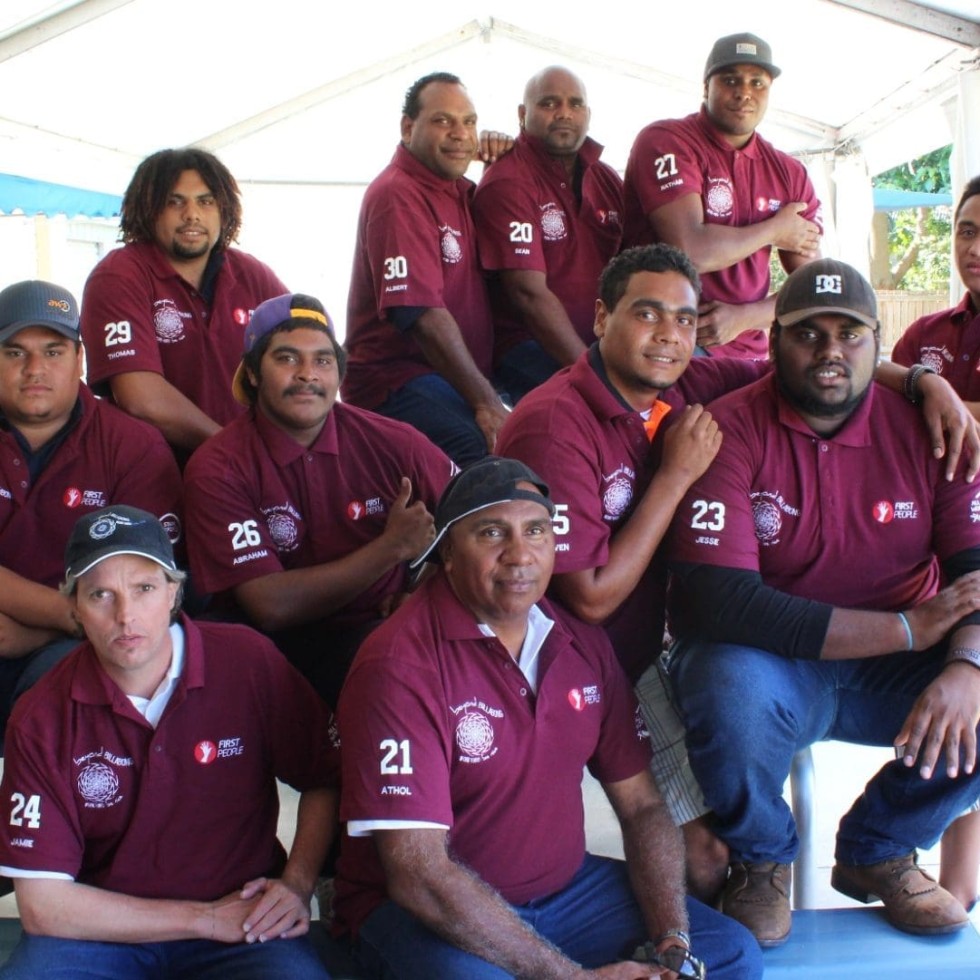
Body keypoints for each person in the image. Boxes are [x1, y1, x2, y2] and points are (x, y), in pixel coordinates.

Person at [333, 456, 762, 980]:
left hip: (567, 894)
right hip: (423, 914)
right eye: (492, 533)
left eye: (536, 531)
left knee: (728, 956)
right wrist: (567, 977)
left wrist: (670, 941)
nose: (520, 555)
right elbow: (419, 875)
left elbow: (644, 807)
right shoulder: (399, 664)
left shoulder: (581, 642)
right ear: (446, 550)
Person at [667, 258, 980, 947]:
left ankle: (880, 848)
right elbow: (724, 603)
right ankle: (762, 858)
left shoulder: (933, 429)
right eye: (809, 334)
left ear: (878, 340)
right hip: (774, 665)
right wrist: (903, 628)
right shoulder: (728, 428)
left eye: (850, 334)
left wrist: (966, 668)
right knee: (720, 677)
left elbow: (975, 570)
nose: (831, 351)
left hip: (899, 670)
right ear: (774, 340)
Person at [0, 505, 338, 979]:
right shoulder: (41, 715)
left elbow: (326, 774)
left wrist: (297, 883)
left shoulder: (246, 662)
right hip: (104, 930)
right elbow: (44, 906)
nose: (125, 615)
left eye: (144, 588)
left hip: (242, 919)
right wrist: (204, 920)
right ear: (73, 606)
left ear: (174, 592)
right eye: (100, 594)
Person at [183, 292, 453, 706]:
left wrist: (426, 592)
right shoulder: (218, 465)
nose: (308, 374)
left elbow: (476, 515)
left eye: (323, 361)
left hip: (373, 632)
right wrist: (391, 548)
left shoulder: (394, 441)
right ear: (253, 373)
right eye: (287, 358)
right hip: (264, 649)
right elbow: (270, 605)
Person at [0, 280, 182, 736]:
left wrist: (50, 627)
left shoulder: (132, 445)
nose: (34, 368)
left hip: (87, 639)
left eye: (54, 351)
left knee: (79, 678)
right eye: (15, 352)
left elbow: (148, 590)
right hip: (71, 622)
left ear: (80, 359)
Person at [343, 71, 509, 466]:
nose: (460, 133)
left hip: (446, 378)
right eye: (442, 121)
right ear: (407, 127)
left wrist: (506, 162)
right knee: (485, 455)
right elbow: (421, 315)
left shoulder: (458, 190)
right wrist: (486, 402)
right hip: (396, 383)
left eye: (469, 122)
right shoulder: (397, 193)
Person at [892, 174, 980, 913]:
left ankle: (960, 885)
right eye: (967, 231)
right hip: (945, 549)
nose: (975, 248)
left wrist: (944, 402)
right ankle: (940, 878)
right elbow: (882, 407)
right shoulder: (927, 336)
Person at [622, 32, 822, 359]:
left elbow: (812, 286)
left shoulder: (789, 172)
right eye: (731, 80)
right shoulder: (667, 140)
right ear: (706, 87)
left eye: (758, 83)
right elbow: (691, 250)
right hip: (664, 342)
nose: (744, 92)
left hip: (749, 349)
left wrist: (745, 318)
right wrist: (774, 230)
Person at [80, 147, 287, 458]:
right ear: (148, 210)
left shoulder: (251, 274)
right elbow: (141, 399)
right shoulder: (118, 275)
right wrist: (236, 453)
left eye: (205, 201)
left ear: (224, 210)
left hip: (250, 468)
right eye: (175, 202)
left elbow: (310, 352)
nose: (192, 214)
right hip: (155, 472)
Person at [472, 65, 623, 401]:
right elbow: (528, 295)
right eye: (549, 104)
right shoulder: (508, 181)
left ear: (588, 113)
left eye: (575, 104)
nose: (564, 114)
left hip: (601, 346)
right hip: (529, 348)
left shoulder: (605, 178)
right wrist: (593, 375)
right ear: (523, 114)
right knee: (593, 414)